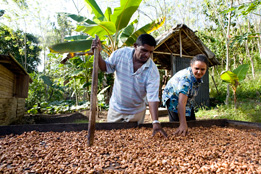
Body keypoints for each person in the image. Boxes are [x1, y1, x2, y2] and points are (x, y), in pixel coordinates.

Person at [92, 34, 167, 138]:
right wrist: (98, 53)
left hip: (136, 113)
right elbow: (105, 67)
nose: (147, 55)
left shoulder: (152, 71)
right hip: (116, 109)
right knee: (112, 139)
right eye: (144, 50)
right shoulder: (121, 54)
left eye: (150, 52)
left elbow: (152, 97)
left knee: (135, 141)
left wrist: (155, 122)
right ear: (135, 46)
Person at [162, 54, 209, 136]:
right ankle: (177, 135)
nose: (199, 72)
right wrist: (183, 124)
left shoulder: (195, 77)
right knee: (178, 124)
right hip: (173, 99)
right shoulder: (186, 80)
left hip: (187, 100)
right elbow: (181, 103)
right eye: (196, 68)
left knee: (191, 122)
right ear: (191, 66)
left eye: (202, 69)